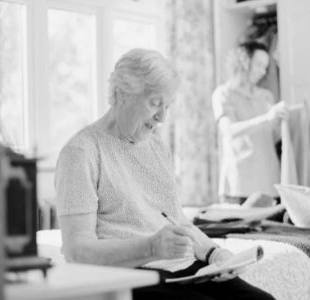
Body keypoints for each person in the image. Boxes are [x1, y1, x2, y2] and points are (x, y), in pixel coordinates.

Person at [55, 48, 275, 300]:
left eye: (167, 106)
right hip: (134, 273)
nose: (162, 117)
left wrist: (215, 254)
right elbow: (77, 251)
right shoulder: (80, 152)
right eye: (155, 103)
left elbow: (176, 220)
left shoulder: (157, 147)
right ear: (121, 94)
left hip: (184, 269)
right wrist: (151, 247)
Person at [212, 41, 288, 205]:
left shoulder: (266, 96)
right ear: (242, 63)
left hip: (268, 181)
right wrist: (267, 118)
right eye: (258, 65)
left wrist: (284, 125)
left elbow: (273, 138)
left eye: (265, 67)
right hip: (239, 182)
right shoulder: (223, 94)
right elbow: (229, 131)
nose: (262, 71)